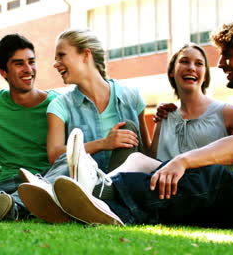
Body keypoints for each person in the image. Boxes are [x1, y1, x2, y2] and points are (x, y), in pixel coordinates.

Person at [51, 18, 233, 229]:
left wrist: (182, 160)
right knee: (145, 163)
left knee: (211, 177)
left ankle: (102, 197)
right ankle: (95, 197)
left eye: (228, 55)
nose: (220, 64)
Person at [18, 29, 152, 223]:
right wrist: (103, 144)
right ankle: (50, 197)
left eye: (61, 56)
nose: (56, 64)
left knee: (128, 128)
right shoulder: (61, 105)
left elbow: (147, 153)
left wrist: (165, 120)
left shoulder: (131, 96)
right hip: (80, 187)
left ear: (86, 55)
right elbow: (54, 154)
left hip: (122, 189)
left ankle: (45, 195)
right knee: (69, 157)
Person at [0, 34, 59, 220]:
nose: (28, 69)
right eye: (19, 64)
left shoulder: (57, 105)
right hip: (4, 183)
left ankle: (7, 206)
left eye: (31, 62)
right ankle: (6, 205)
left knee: (64, 174)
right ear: (3, 72)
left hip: (44, 180)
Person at [151, 43, 233, 171]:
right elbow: (151, 163)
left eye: (199, 63)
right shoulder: (164, 115)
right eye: (184, 61)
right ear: (171, 71)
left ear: (205, 75)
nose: (191, 68)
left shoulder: (228, 113)